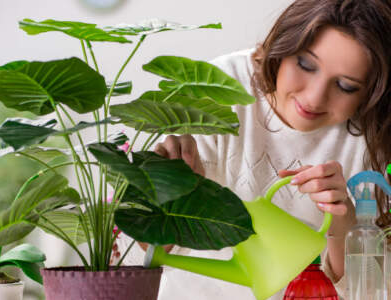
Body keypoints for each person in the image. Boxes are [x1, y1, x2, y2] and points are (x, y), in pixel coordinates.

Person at [118, 0, 391, 299]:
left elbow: (370, 290)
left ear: (372, 93)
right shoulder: (218, 92)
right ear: (283, 47)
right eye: (305, 64)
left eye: (346, 86)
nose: (314, 98)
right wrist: (167, 196)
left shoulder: (374, 137)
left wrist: (343, 226)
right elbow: (141, 260)